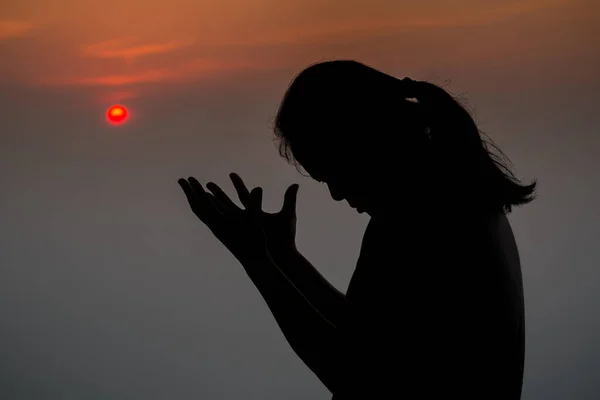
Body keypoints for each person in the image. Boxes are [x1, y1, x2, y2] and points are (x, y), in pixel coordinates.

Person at [177, 60, 536, 399]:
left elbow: (354, 374)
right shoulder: (454, 203)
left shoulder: (419, 225)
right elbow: (367, 334)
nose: (336, 193)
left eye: (334, 171)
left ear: (364, 142)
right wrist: (284, 257)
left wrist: (258, 263)